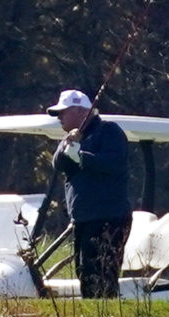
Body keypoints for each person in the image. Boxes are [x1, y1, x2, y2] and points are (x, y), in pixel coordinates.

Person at [47, 89, 132, 298]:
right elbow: (57, 164)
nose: (59, 118)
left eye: (63, 112)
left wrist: (82, 156)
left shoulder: (109, 131)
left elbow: (113, 163)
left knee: (101, 275)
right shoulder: (74, 137)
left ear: (79, 111)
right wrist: (68, 145)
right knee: (85, 273)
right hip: (84, 219)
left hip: (108, 218)